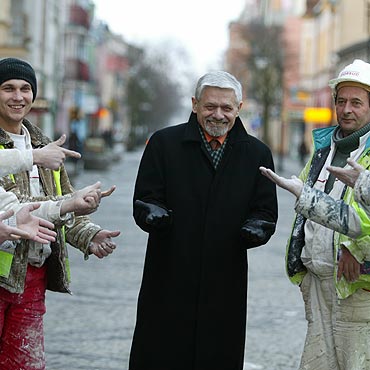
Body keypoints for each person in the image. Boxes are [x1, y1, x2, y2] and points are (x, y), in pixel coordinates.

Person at [129, 71, 278, 370]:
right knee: (160, 354)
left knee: (218, 354)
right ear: (195, 104)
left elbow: (265, 210)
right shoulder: (163, 143)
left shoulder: (257, 153)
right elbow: (145, 197)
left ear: (239, 107)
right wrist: (151, 212)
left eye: (227, 107)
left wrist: (259, 228)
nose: (218, 114)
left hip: (225, 278)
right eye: (210, 106)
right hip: (169, 272)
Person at [0, 57, 121, 370]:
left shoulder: (44, 144)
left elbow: (64, 200)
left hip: (32, 275)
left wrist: (89, 234)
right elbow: (16, 205)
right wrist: (69, 204)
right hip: (0, 274)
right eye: (8, 88)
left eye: (25, 88)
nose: (18, 96)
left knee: (25, 364)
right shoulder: (26, 151)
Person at [262, 59, 370, 370]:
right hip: (319, 282)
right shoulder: (325, 146)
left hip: (357, 284)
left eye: (356, 103)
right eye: (341, 101)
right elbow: (308, 204)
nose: (346, 109)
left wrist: (356, 250)